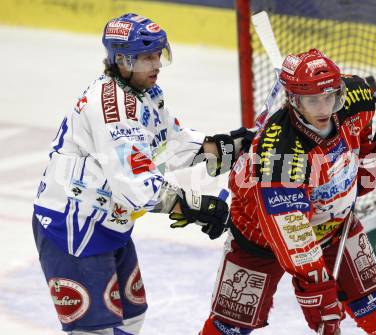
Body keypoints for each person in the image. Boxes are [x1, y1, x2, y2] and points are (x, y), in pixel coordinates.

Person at [32, 13, 250, 335]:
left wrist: (218, 147)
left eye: (158, 54)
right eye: (147, 57)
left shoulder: (147, 94)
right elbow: (136, 185)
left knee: (132, 316)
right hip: (74, 226)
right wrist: (197, 207)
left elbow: (168, 145)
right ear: (121, 59)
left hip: (109, 221)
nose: (157, 64)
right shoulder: (112, 109)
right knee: (95, 331)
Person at [199, 49, 376, 335]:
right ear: (294, 100)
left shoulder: (357, 96)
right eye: (313, 101)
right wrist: (316, 288)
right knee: (230, 325)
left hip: (333, 224)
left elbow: (362, 133)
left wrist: (365, 167)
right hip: (259, 235)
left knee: (372, 301)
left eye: (330, 97)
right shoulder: (281, 154)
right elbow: (293, 236)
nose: (323, 109)